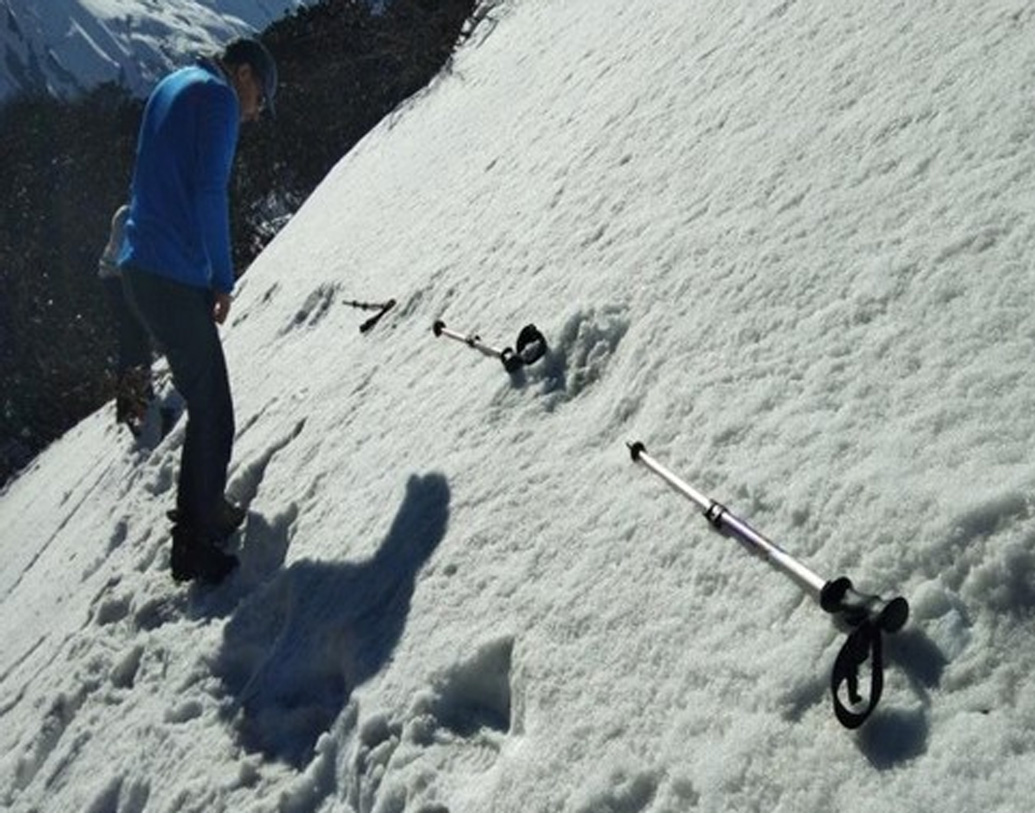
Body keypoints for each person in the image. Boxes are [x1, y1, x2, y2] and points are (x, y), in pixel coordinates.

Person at [119, 37, 278, 584]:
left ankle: (205, 511)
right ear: (244, 74)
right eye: (261, 98)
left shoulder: (172, 84)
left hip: (141, 268)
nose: (256, 113)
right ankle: (193, 544)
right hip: (171, 273)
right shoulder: (217, 99)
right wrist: (221, 278)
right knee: (214, 407)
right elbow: (210, 193)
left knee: (208, 398)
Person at [98, 203, 153, 435]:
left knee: (138, 336)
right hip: (116, 280)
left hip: (123, 277)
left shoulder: (141, 214)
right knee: (132, 339)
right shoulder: (127, 216)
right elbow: (125, 257)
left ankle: (141, 396)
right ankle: (132, 407)